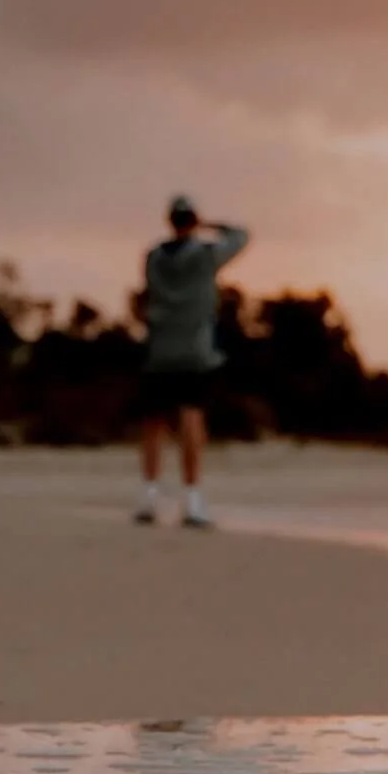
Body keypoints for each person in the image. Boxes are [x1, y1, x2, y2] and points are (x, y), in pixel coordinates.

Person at [134, 195, 250, 529]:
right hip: (194, 348)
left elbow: (145, 297)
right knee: (191, 418)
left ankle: (149, 496)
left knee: (153, 424)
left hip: (159, 347)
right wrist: (211, 225)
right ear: (192, 220)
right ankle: (192, 499)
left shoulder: (153, 257)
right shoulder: (205, 255)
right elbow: (241, 235)